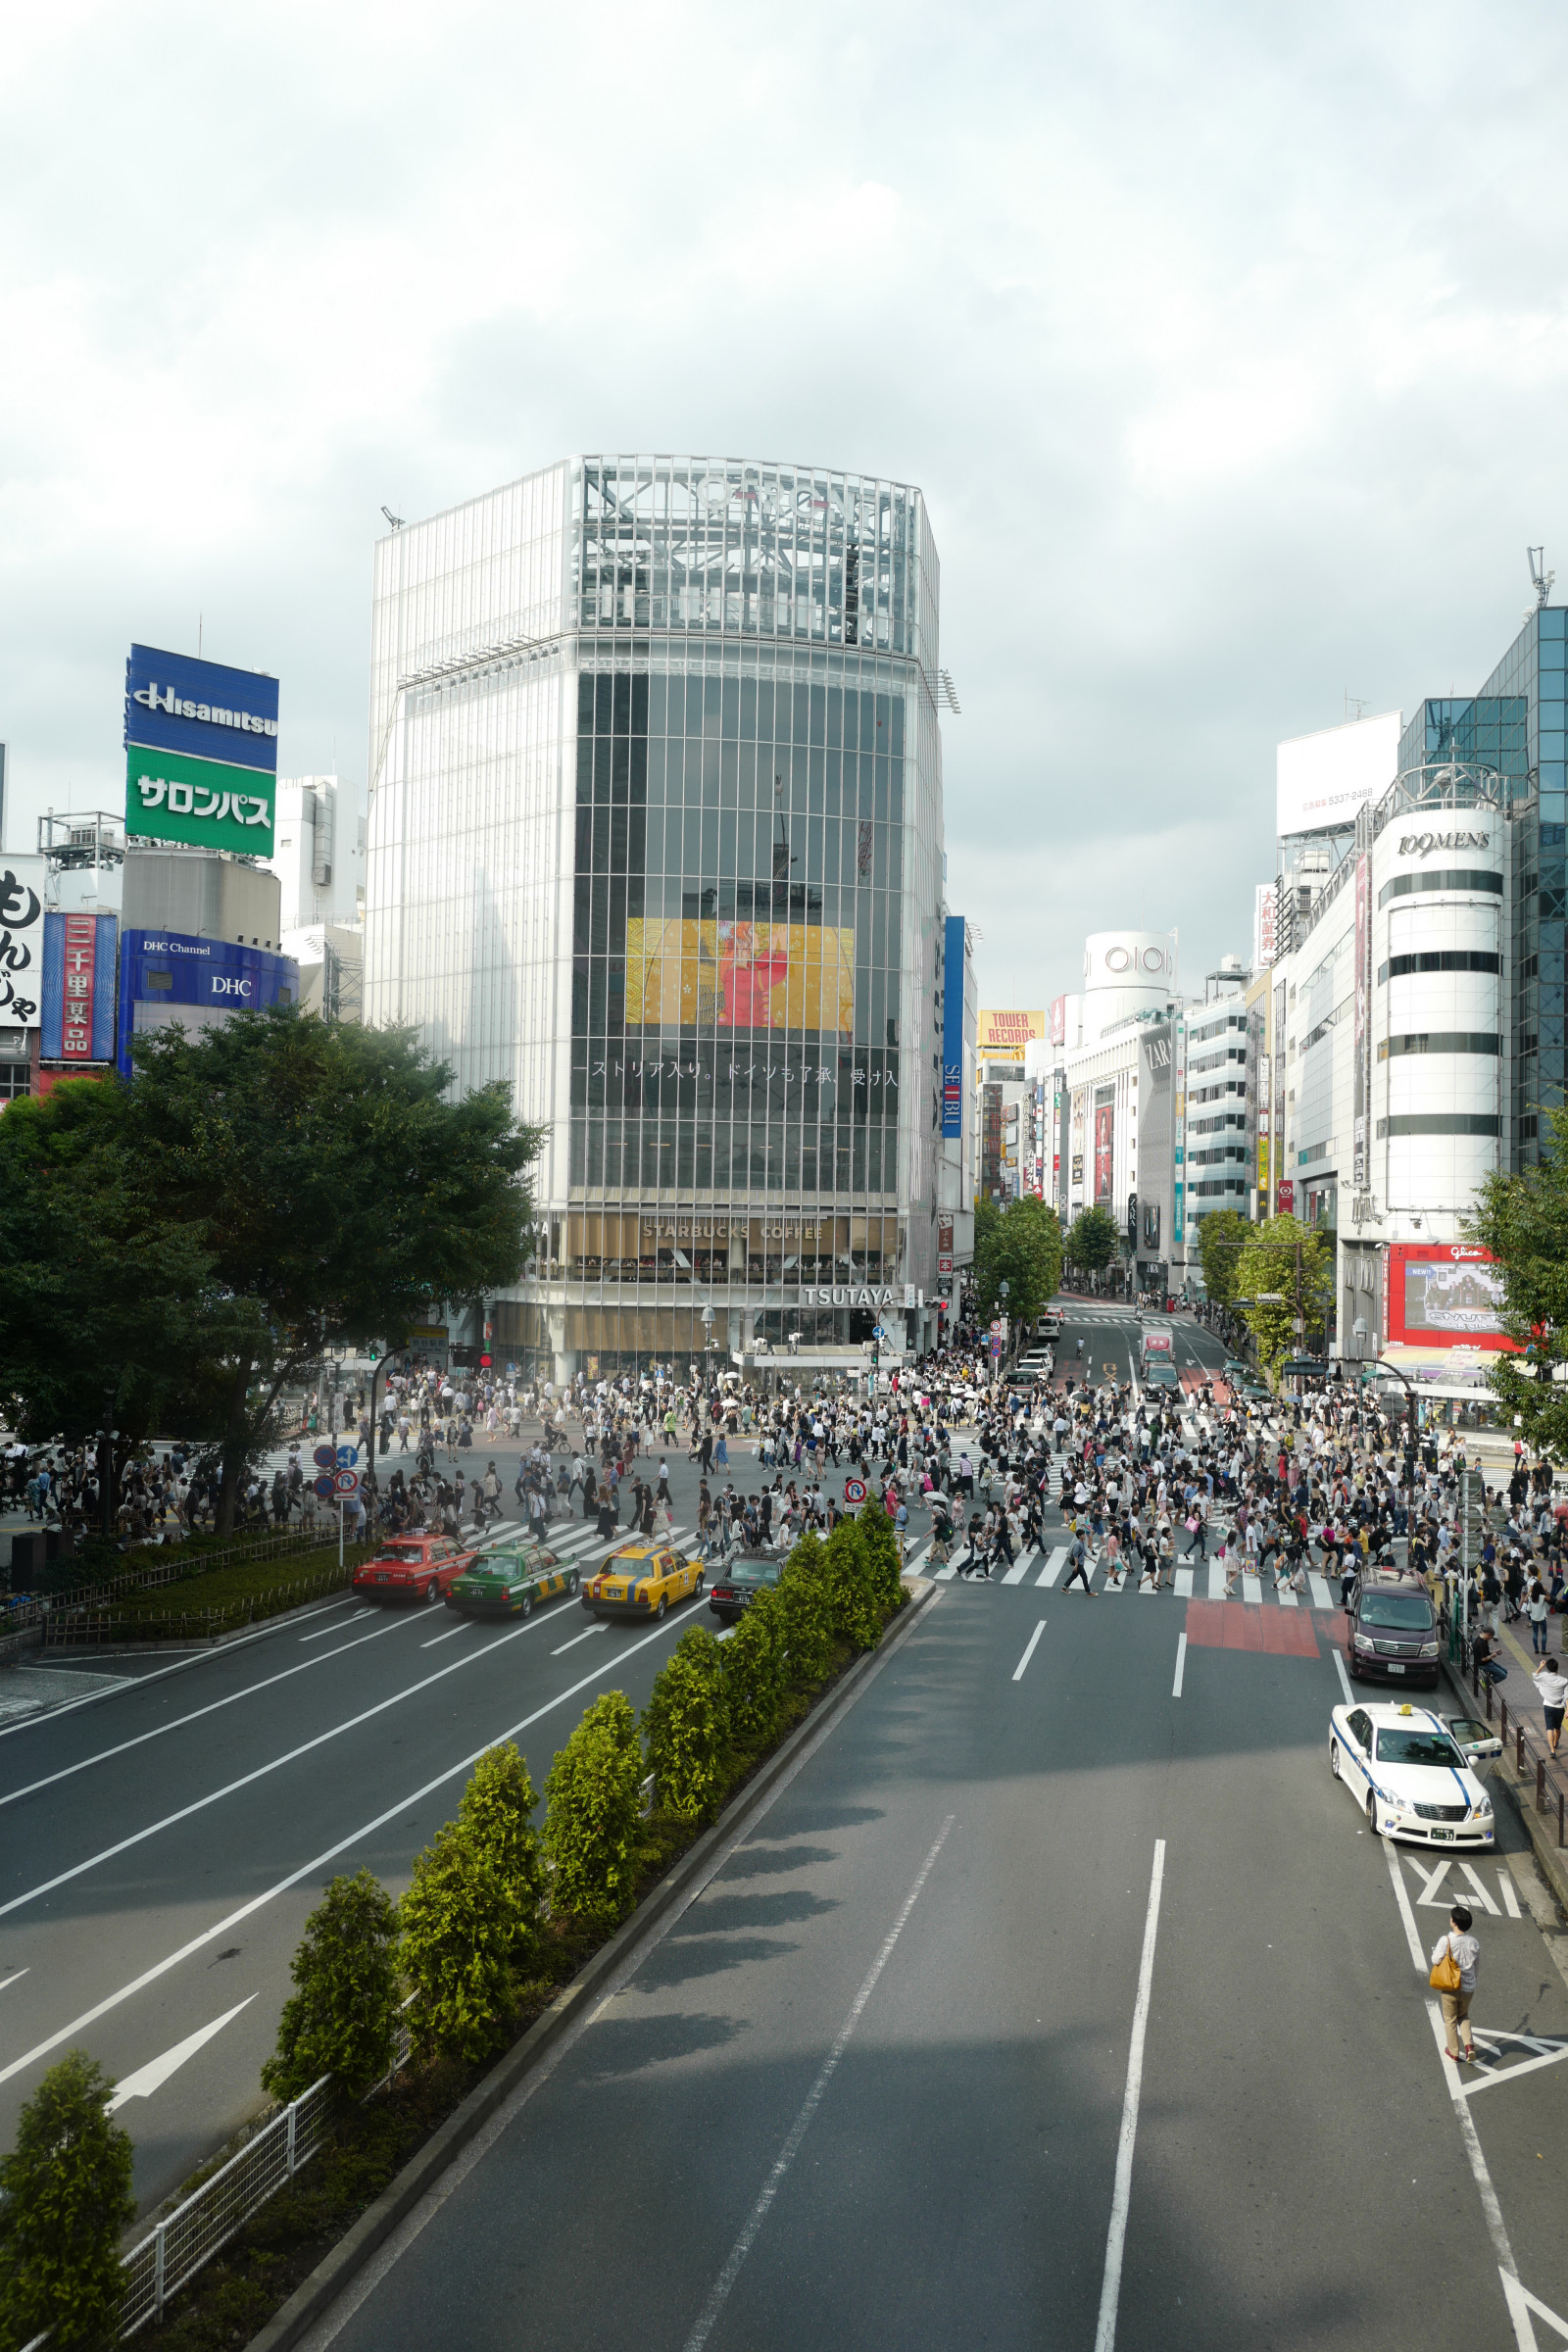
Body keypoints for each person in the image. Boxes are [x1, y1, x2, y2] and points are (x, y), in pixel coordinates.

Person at [1431, 1902, 1480, 2065]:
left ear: (1454, 1922)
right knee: (1463, 2016)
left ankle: (1453, 2052)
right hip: (1468, 1988)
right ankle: (1469, 2047)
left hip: (1451, 1986)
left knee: (1450, 2019)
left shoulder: (1446, 1940)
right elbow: (1476, 1965)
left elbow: (1435, 1959)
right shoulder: (1474, 1942)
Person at [1535, 1656, 1568, 1756]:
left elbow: (1535, 1676)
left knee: (1549, 1728)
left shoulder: (1545, 1677)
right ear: (1557, 1668)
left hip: (1548, 1706)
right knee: (1557, 1727)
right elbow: (1566, 1696)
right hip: (1560, 1708)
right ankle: (1555, 1742)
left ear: (1548, 1668)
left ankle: (1552, 1751)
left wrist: (1540, 1667)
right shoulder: (1564, 1680)